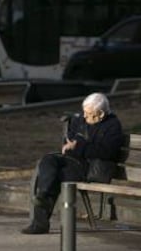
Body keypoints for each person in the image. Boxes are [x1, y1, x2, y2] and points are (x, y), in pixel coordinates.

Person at [21, 92, 124, 234]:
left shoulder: (112, 125)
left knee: (56, 175)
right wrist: (74, 145)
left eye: (89, 114)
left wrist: (79, 146)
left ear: (100, 114)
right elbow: (70, 139)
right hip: (74, 160)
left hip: (91, 168)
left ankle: (40, 222)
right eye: (85, 112)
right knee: (47, 160)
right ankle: (43, 196)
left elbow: (107, 153)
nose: (85, 117)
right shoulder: (80, 119)